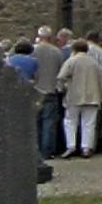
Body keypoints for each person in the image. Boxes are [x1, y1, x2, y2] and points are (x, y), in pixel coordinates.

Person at [59, 38, 102, 158]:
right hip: (92, 96)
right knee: (89, 123)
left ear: (74, 49)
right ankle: (86, 148)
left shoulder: (71, 61)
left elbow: (61, 77)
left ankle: (71, 146)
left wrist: (62, 89)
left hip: (74, 96)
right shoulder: (94, 63)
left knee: (70, 121)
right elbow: (101, 82)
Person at [31, 26, 65, 160]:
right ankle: (47, 151)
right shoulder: (57, 52)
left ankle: (36, 149)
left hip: (35, 91)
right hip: (51, 90)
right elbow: (61, 72)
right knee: (49, 123)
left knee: (36, 122)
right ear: (50, 37)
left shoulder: (32, 51)